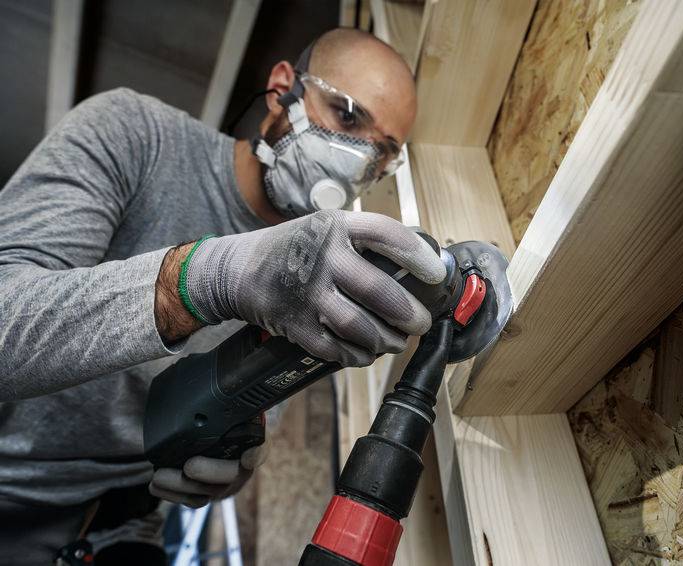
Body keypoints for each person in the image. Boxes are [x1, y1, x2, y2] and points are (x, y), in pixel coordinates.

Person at [0, 27, 444, 564]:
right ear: (283, 87)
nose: (356, 163)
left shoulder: (317, 274)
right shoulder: (133, 134)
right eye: (347, 117)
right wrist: (207, 280)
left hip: (114, 527)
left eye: (382, 152)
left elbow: (238, 418)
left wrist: (228, 460)